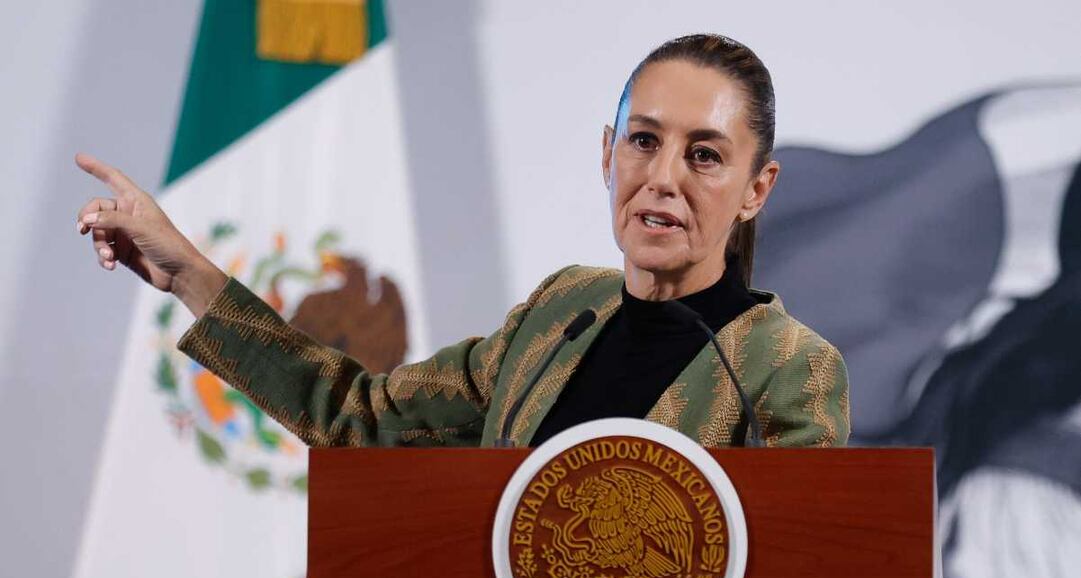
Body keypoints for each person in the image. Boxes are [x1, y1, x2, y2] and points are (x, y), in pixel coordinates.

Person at [75, 33, 849, 449]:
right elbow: (355, 419)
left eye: (704, 155)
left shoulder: (787, 369)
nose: (663, 177)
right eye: (643, 141)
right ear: (606, 152)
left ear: (757, 189)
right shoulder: (559, 313)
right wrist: (190, 278)